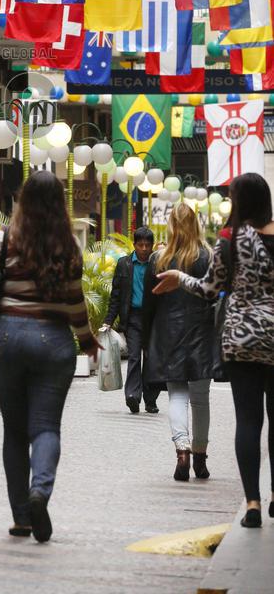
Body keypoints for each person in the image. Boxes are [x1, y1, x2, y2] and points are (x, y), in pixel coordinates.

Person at [0, 171, 99, 544]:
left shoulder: (4, 237)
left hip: (5, 338)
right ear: (60, 204)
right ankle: (40, 492)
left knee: (14, 430)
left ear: (23, 200)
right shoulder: (69, 245)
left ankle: (21, 519)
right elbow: (75, 302)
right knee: (45, 427)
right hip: (52, 342)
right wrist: (87, 340)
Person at [154, 173, 274, 529]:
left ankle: (252, 502)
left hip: (242, 339)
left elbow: (209, 290)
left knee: (249, 420)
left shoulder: (231, 239)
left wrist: (179, 278)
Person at [143, 203, 214, 482]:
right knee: (200, 399)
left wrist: (148, 338)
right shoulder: (208, 256)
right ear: (196, 225)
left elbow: (149, 302)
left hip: (169, 333)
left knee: (177, 395)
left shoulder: (159, 259)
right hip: (201, 334)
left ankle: (181, 450)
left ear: (171, 226)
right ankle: (200, 458)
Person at [102, 226, 161, 414]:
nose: (144, 248)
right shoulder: (124, 264)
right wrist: (108, 321)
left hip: (153, 319)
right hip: (133, 318)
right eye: (140, 244)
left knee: (151, 360)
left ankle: (150, 400)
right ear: (134, 244)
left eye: (147, 245)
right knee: (134, 356)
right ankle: (133, 396)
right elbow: (116, 296)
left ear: (152, 246)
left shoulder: (158, 264)